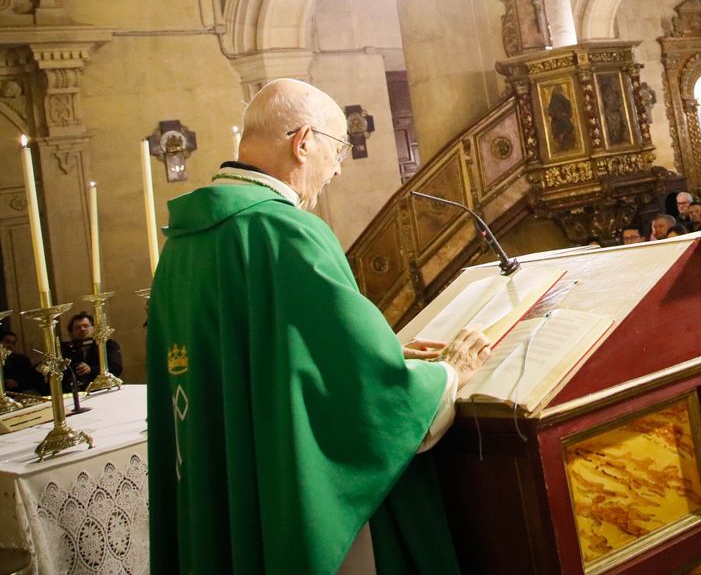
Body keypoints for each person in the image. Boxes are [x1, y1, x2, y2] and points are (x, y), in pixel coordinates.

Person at [148, 78, 494, 575]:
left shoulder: (185, 244)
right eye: (337, 149)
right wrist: (447, 374)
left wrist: (380, 354)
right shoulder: (287, 232)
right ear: (303, 141)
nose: (336, 167)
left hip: (223, 487)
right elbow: (370, 399)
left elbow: (277, 361)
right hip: (288, 495)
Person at [63, 311, 122, 384]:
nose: (82, 329)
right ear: (71, 332)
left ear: (93, 328)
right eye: (77, 327)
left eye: (86, 326)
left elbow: (116, 368)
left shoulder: (108, 345)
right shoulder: (67, 349)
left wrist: (91, 369)